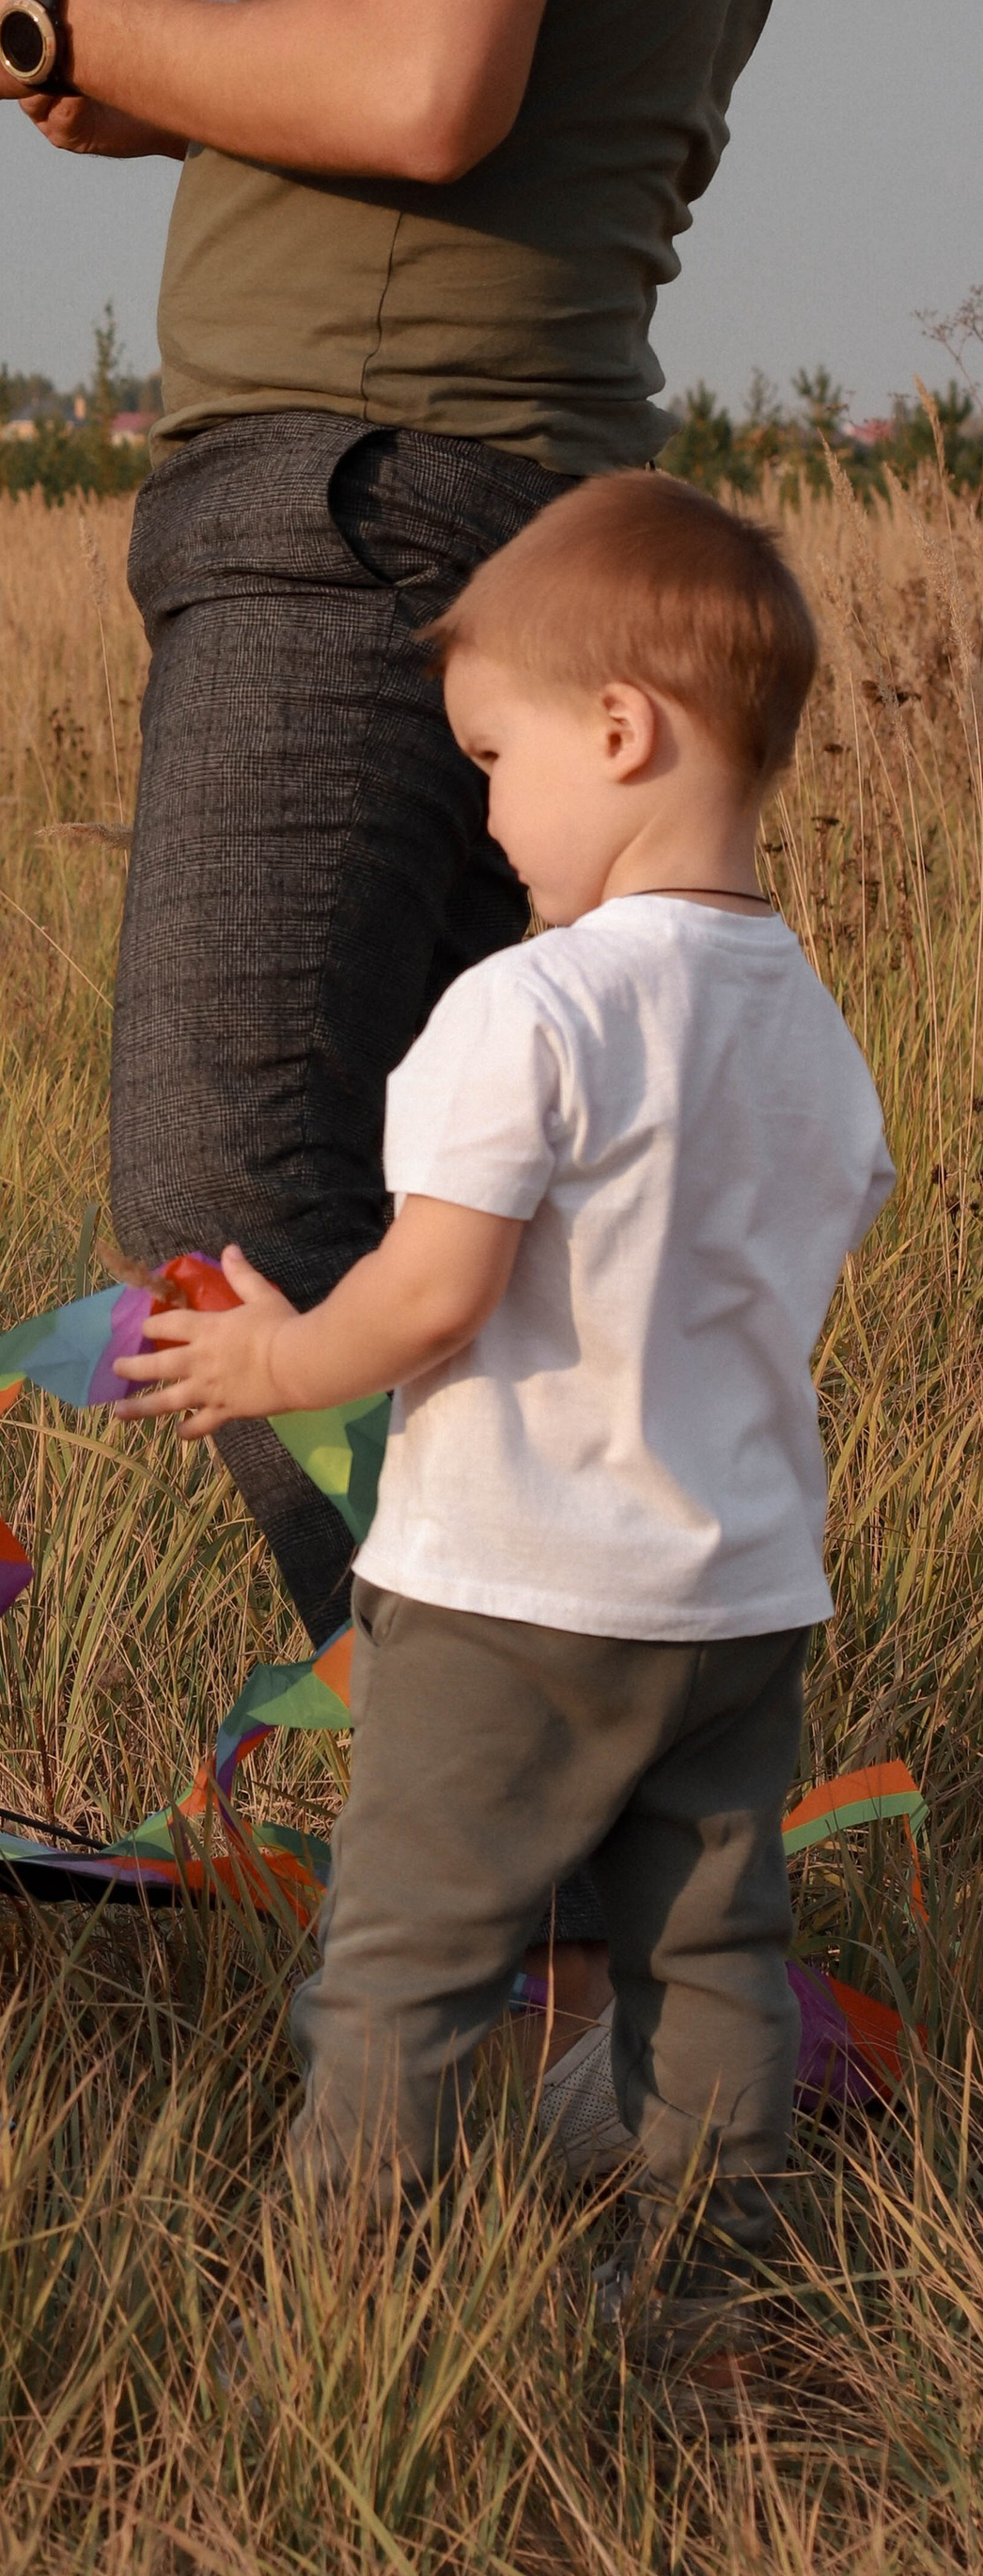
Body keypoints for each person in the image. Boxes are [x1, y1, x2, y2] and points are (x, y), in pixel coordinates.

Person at [0, 0, 783, 1738]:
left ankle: (484, 1810)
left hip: (378, 496)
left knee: (230, 1205)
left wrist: (56, 14)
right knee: (468, 1223)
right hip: (444, 484)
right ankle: (565, 1826)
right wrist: (182, 93)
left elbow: (422, 76)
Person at [114, 477, 892, 2360]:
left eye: (491, 756)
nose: (481, 809)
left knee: (407, 1958)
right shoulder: (808, 1026)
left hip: (506, 1598)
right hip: (730, 1603)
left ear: (616, 730)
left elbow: (435, 1289)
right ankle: (703, 2290)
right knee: (704, 1955)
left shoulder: (523, 1007)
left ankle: (342, 2312)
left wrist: (266, 1363)